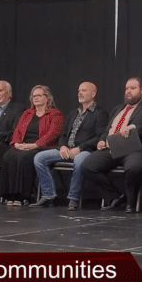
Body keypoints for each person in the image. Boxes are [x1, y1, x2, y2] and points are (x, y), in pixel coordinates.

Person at [83, 77, 142, 213]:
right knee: (87, 166)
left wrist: (135, 128)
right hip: (113, 147)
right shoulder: (118, 109)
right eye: (127, 88)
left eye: (133, 88)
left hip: (136, 148)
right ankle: (117, 197)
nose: (128, 91)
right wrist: (102, 140)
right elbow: (107, 130)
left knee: (133, 167)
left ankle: (130, 203)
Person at [29, 82, 109, 210]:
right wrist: (62, 147)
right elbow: (63, 134)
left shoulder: (100, 114)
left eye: (83, 90)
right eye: (79, 91)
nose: (80, 93)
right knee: (39, 158)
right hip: (67, 150)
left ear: (93, 94)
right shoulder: (74, 113)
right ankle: (48, 195)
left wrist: (80, 148)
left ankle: (73, 198)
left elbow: (99, 137)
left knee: (79, 160)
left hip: (86, 151)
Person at [0, 85, 64, 205]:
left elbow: (53, 133)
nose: (36, 98)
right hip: (24, 145)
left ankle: (23, 196)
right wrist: (17, 144)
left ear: (47, 98)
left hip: (41, 147)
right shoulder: (27, 113)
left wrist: (35, 145)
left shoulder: (54, 114)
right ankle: (9, 195)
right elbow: (17, 130)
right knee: (9, 155)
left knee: (24, 158)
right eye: (34, 96)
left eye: (39, 95)